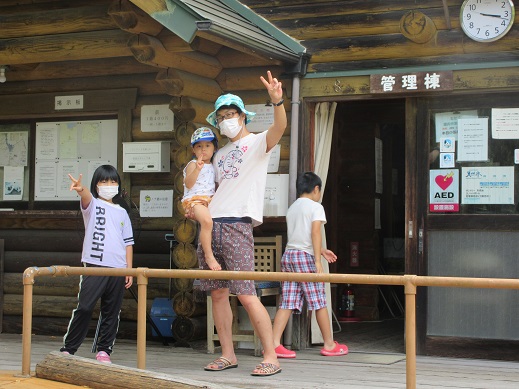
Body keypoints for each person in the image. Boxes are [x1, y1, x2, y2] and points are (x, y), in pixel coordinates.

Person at [198, 71, 285, 376]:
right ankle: (227, 354)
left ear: (243, 116)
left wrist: (278, 101)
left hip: (237, 225)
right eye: (221, 116)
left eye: (231, 114)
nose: (226, 120)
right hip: (211, 225)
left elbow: (280, 127)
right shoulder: (219, 154)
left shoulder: (258, 142)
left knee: (246, 293)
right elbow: (213, 191)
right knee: (218, 294)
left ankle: (271, 356)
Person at [60, 165, 134, 364]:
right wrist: (80, 188)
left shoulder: (122, 212)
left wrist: (129, 269)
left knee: (111, 311)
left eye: (113, 181)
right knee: (84, 307)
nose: (109, 185)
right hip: (94, 265)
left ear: (118, 184)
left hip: (119, 268)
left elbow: (128, 242)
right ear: (96, 185)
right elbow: (85, 197)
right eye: (103, 181)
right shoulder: (92, 205)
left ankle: (104, 350)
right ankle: (69, 348)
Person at [271, 172, 348, 358]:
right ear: (316, 189)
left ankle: (273, 344)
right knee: (319, 301)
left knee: (287, 302)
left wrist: (321, 250)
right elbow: (314, 232)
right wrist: (316, 260)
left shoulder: (293, 208)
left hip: (289, 256)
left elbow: (299, 236)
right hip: (305, 258)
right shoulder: (316, 207)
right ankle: (329, 344)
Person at [182, 127, 221, 271]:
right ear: (193, 150)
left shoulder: (214, 165)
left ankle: (209, 251)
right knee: (207, 221)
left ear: (214, 148)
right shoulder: (193, 164)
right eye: (199, 146)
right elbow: (189, 183)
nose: (203, 149)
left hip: (209, 200)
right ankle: (209, 256)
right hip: (194, 200)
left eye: (207, 145)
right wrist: (197, 169)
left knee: (210, 225)